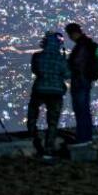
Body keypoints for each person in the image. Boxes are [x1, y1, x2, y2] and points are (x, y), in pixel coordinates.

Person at [28, 30, 70, 158]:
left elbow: (35, 70)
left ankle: (33, 137)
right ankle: (48, 148)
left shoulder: (37, 56)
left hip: (39, 89)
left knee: (33, 114)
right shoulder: (61, 59)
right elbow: (67, 75)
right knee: (52, 121)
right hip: (56, 91)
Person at [65, 22, 98, 146]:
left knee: (81, 110)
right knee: (84, 110)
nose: (70, 38)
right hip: (86, 80)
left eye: (70, 35)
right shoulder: (89, 44)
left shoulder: (82, 46)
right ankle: (86, 137)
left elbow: (77, 64)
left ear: (74, 33)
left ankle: (83, 138)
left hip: (80, 81)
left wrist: (68, 65)